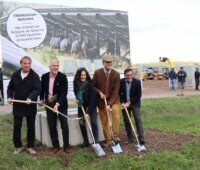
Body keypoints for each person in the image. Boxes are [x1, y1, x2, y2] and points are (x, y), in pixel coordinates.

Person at [7, 56, 41, 154]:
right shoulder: (15, 75)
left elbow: (37, 89)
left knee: (31, 126)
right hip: (18, 105)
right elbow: (10, 88)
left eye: (29, 63)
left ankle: (30, 146)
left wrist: (30, 97)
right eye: (25, 63)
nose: (27, 65)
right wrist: (9, 97)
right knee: (17, 126)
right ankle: (18, 146)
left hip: (30, 105)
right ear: (21, 64)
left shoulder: (34, 76)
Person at [40, 59, 70, 154]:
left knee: (64, 125)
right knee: (52, 126)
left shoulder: (62, 77)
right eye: (53, 65)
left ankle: (66, 146)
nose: (55, 67)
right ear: (49, 66)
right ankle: (56, 146)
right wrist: (41, 100)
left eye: (57, 65)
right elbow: (42, 90)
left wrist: (57, 104)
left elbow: (63, 93)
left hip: (61, 105)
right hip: (49, 104)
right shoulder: (44, 77)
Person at [92, 55, 120, 147]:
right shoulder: (97, 73)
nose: (109, 64)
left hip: (113, 100)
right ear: (103, 63)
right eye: (107, 62)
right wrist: (99, 92)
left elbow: (116, 91)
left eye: (110, 62)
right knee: (104, 120)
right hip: (101, 101)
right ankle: (108, 139)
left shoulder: (116, 74)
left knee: (115, 113)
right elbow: (93, 86)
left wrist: (109, 104)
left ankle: (115, 136)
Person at [119, 68, 145, 146]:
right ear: (124, 75)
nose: (129, 76)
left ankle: (141, 138)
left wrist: (129, 103)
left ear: (132, 75)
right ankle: (130, 138)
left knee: (137, 119)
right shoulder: (121, 82)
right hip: (124, 104)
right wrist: (122, 102)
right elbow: (119, 93)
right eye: (127, 75)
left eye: (130, 75)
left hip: (134, 103)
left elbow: (138, 95)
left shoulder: (137, 82)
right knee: (127, 121)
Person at [73, 67, 98, 147]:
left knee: (93, 122)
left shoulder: (90, 84)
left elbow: (93, 99)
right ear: (78, 76)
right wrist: (77, 99)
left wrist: (87, 112)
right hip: (81, 105)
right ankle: (86, 141)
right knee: (81, 122)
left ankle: (96, 141)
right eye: (81, 75)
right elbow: (76, 94)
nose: (83, 76)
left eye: (84, 75)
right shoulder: (76, 84)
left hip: (92, 105)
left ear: (86, 75)